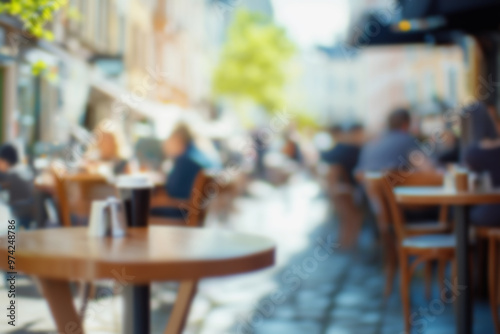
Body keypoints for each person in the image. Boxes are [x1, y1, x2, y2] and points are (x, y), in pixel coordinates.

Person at [150, 123, 217, 219]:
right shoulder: (195, 158)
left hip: (180, 211)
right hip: (192, 212)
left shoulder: (184, 161)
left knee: (143, 207)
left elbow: (172, 190)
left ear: (178, 140)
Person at [356, 108, 433, 172]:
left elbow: (359, 172)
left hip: (366, 189)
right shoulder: (406, 139)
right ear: (405, 124)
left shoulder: (371, 142)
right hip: (391, 189)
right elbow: (427, 169)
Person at [465, 102, 500, 226]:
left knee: (462, 213)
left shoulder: (473, 153)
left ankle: (472, 245)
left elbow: (471, 185)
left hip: (491, 212)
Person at [0, 144, 35, 229]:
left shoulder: (10, 176)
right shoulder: (22, 170)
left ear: (5, 161)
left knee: (12, 235)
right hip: (29, 211)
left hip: (20, 213)